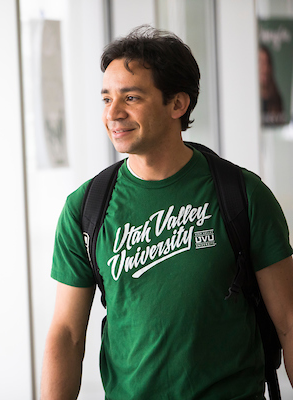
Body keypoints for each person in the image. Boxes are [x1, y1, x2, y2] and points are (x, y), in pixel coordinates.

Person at [40, 25, 293, 399]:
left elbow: (288, 321)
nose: (114, 113)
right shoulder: (86, 208)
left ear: (177, 104)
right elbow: (67, 333)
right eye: (106, 98)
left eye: (131, 97)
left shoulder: (243, 195)